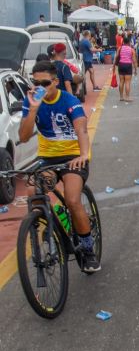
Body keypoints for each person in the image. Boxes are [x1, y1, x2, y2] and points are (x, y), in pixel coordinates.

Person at [19, 61, 99, 273]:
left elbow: (81, 129)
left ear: (55, 82)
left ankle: (88, 250)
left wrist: (83, 155)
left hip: (73, 157)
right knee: (34, 193)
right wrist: (33, 109)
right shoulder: (31, 101)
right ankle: (54, 224)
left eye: (44, 83)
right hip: (48, 159)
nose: (39, 87)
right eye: (35, 82)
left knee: (72, 199)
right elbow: (23, 137)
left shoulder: (69, 100)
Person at [115, 35, 137, 102]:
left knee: (121, 81)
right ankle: (127, 97)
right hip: (128, 65)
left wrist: (114, 66)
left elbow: (116, 57)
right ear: (129, 42)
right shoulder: (131, 50)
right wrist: (135, 69)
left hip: (121, 65)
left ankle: (121, 97)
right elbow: (134, 60)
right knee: (127, 82)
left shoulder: (120, 48)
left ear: (123, 42)